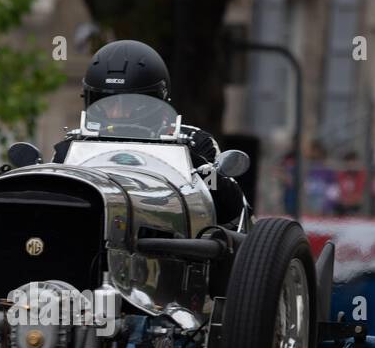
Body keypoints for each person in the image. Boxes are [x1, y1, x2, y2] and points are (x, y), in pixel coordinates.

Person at [54, 39, 245, 226]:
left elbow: (229, 210)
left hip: (168, 240)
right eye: (105, 102)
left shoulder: (194, 142)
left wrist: (196, 165)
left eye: (128, 104)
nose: (115, 113)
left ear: (154, 100)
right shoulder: (72, 148)